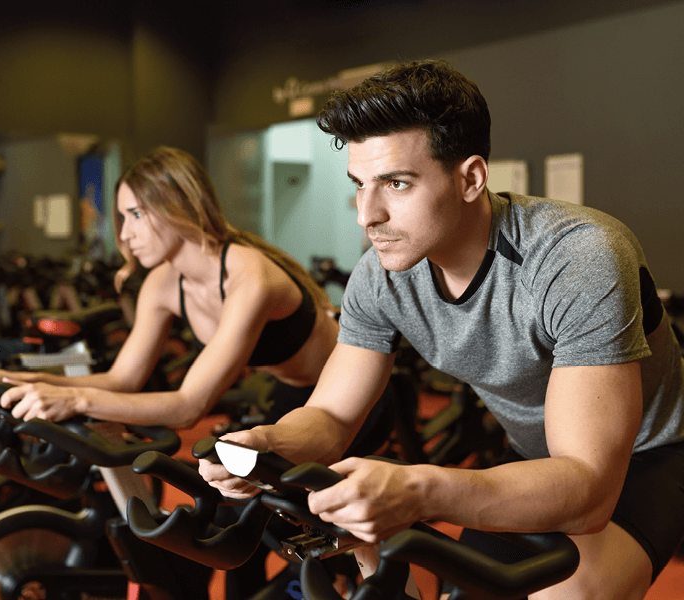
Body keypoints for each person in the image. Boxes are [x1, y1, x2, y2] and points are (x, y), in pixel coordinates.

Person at [200, 60, 684, 600]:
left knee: (562, 594)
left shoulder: (577, 256)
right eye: (360, 185)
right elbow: (332, 416)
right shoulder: (380, 277)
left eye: (396, 184)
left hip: (654, 452)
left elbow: (589, 489)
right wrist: (269, 444)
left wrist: (418, 486)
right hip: (541, 456)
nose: (367, 215)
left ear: (471, 178)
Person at [0, 145, 394, 598]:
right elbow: (122, 379)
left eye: (135, 214)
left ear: (178, 205)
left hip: (351, 403)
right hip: (287, 398)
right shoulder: (164, 282)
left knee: (291, 517)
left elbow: (189, 406)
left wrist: (72, 399)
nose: (124, 235)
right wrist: (30, 383)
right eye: (122, 217)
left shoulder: (249, 274)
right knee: (230, 513)